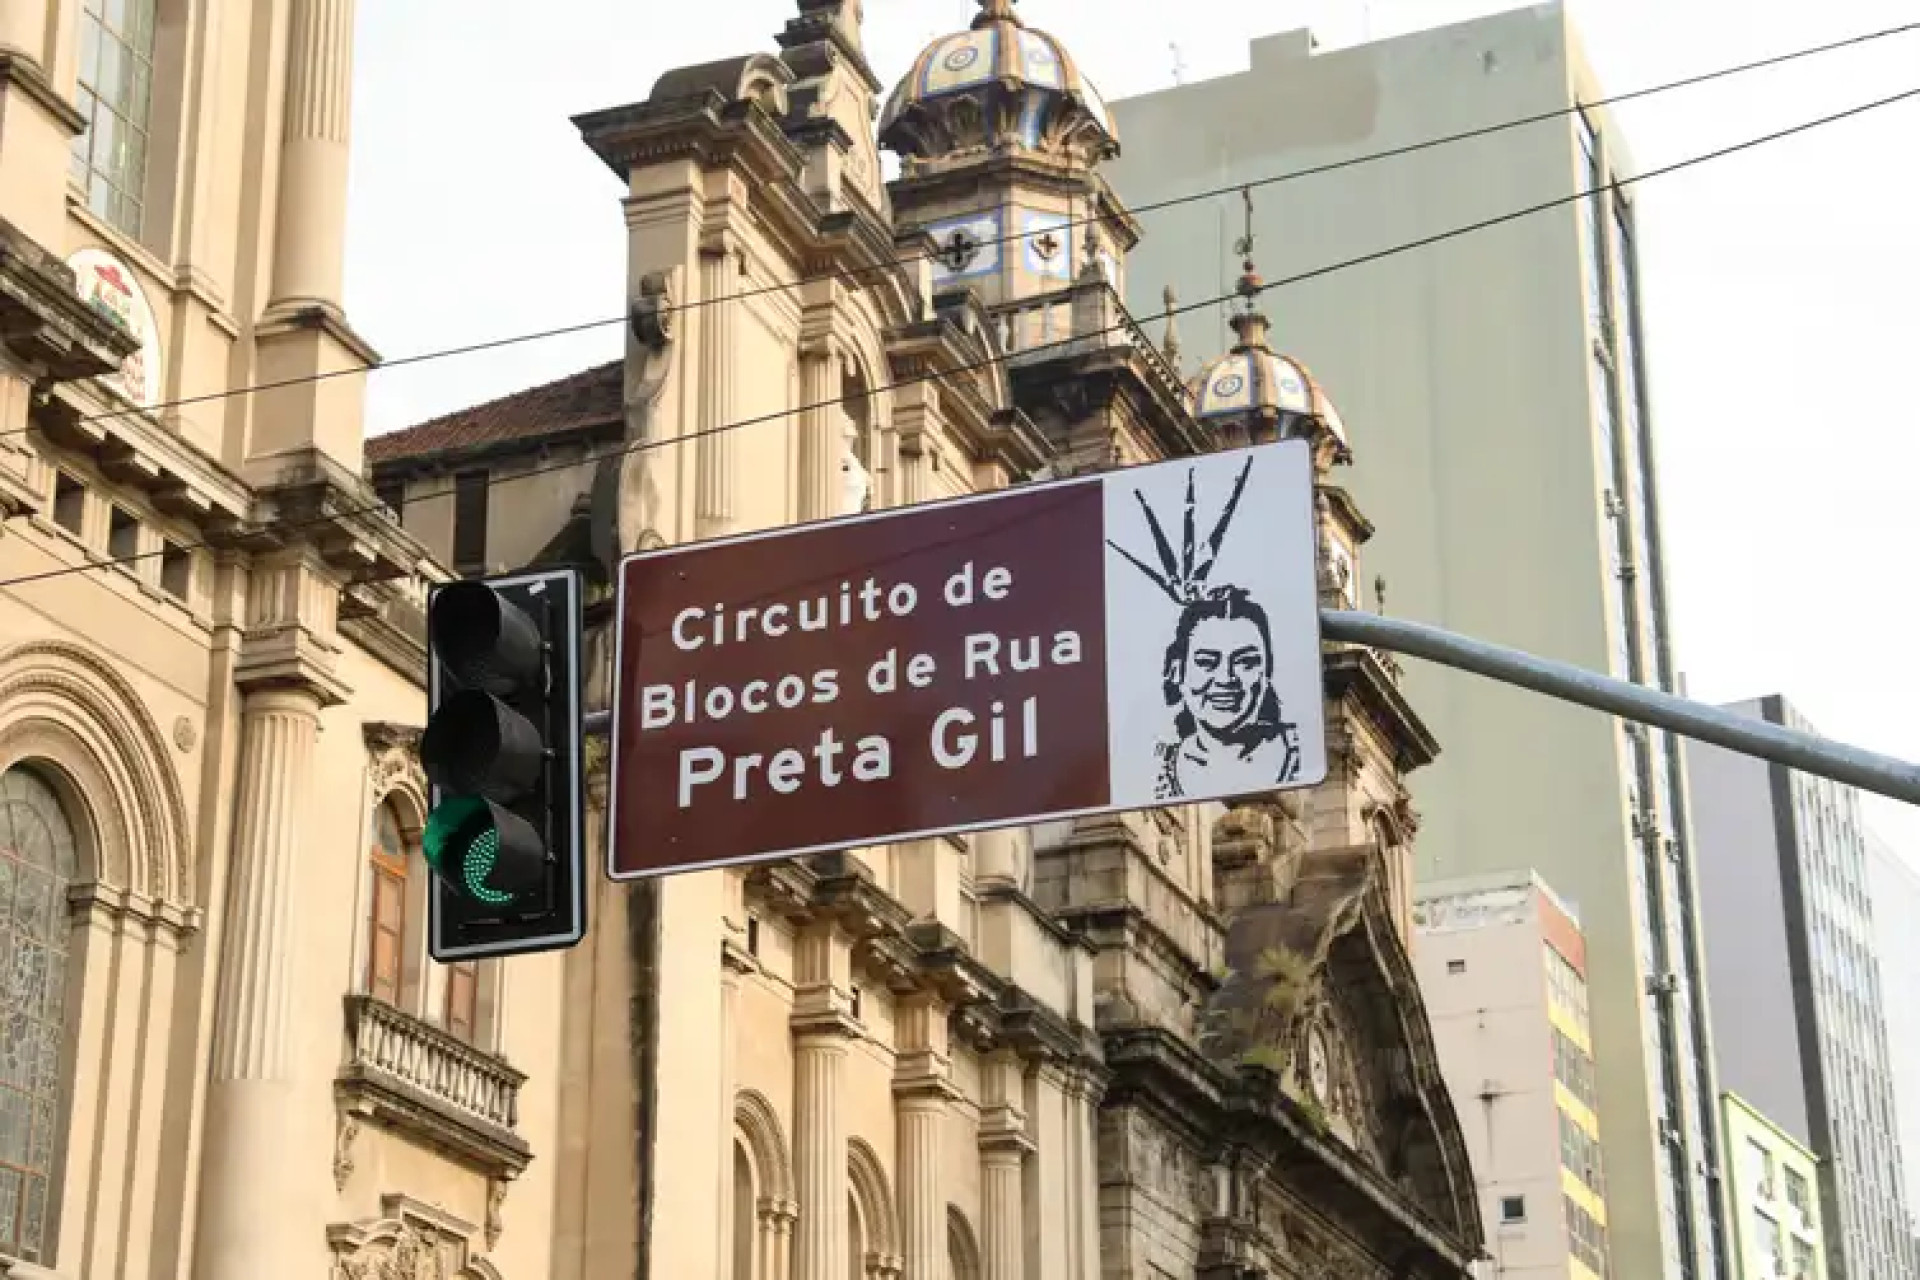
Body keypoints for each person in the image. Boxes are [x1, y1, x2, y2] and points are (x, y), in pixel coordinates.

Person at [1152, 585, 1302, 800]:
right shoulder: (1150, 771)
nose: (1226, 678)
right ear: (1177, 670)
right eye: (1206, 662)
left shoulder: (1308, 753)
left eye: (1245, 662)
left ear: (1267, 671)